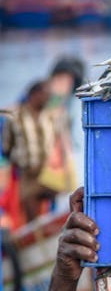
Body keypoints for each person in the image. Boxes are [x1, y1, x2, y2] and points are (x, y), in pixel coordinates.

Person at [1, 80, 58, 222]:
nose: (48, 98)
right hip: (26, 172)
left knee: (50, 208)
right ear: (34, 94)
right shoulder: (16, 115)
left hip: (47, 172)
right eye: (45, 95)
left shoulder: (49, 115)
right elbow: (6, 146)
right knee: (30, 214)